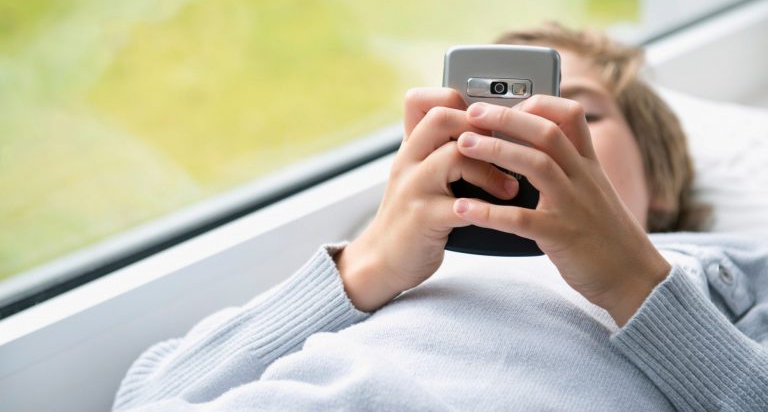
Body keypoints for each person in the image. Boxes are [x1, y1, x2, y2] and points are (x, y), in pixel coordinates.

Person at [112, 24, 768, 412]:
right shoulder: (365, 271)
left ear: (660, 181)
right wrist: (364, 268)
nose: (527, 134)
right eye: (489, 110)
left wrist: (635, 282)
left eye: (577, 115)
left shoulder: (713, 269)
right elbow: (146, 397)